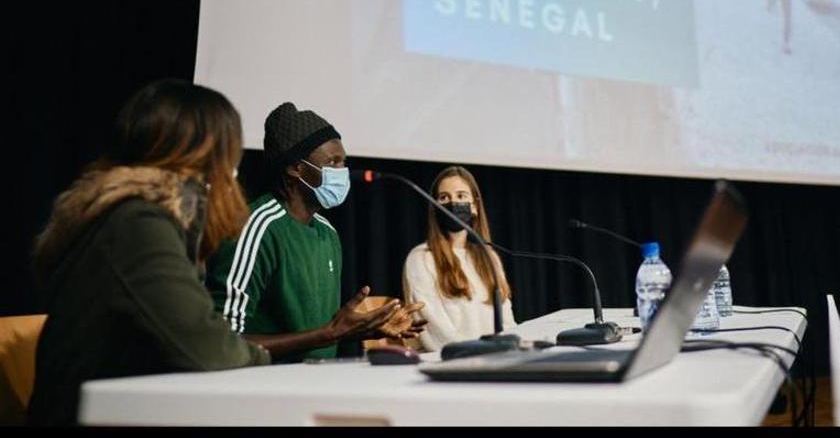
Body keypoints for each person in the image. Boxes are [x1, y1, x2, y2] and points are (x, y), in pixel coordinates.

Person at [27, 80, 271, 425]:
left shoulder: (132, 214)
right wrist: (260, 359)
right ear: (208, 155)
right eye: (232, 155)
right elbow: (208, 347)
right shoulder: (137, 222)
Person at [205, 102, 425, 363]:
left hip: (316, 383)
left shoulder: (327, 233)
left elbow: (320, 334)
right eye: (333, 162)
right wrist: (328, 334)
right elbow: (221, 339)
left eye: (344, 162)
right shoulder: (256, 228)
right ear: (295, 168)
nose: (343, 171)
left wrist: (364, 329)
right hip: (264, 389)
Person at [402, 166, 516, 351]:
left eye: (461, 196)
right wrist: (481, 353)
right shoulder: (420, 259)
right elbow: (435, 332)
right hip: (452, 364)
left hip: (495, 361)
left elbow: (508, 324)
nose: (453, 203)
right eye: (444, 197)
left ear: (475, 207)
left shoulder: (490, 258)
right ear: (435, 207)